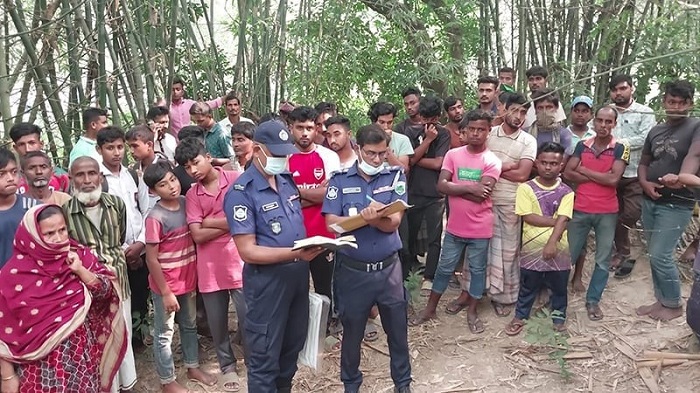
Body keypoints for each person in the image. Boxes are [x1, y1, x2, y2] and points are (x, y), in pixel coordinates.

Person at [224, 120, 325, 392]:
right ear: (257, 150)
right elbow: (248, 250)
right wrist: (294, 253)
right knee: (264, 361)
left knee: (290, 354)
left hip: (297, 281)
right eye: (277, 154)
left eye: (285, 154)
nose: (283, 159)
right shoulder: (241, 193)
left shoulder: (287, 182)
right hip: (267, 286)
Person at [322, 124, 412, 393]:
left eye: (382, 154)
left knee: (398, 333)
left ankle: (403, 384)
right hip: (353, 272)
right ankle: (351, 385)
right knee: (352, 334)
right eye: (371, 153)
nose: (376, 159)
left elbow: (394, 221)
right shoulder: (339, 180)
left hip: (388, 271)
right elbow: (332, 224)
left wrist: (375, 220)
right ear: (359, 149)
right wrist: (364, 218)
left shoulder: (395, 177)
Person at [0, 204, 128, 393]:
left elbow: (107, 294)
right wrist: (8, 376)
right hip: (40, 373)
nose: (59, 238)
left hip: (81, 363)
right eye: (49, 233)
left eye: (62, 230)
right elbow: (3, 332)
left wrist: (80, 271)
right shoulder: (12, 275)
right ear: (32, 237)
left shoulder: (78, 257)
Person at [411, 110, 501, 334]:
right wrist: (471, 187)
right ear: (465, 130)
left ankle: (472, 311)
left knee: (478, 270)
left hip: (480, 228)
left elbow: (483, 194)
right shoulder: (454, 155)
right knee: (443, 269)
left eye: (481, 129)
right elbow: (441, 187)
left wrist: (455, 188)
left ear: (488, 132)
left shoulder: (492, 161)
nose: (476, 133)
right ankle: (430, 308)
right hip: (454, 228)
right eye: (472, 129)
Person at [457, 93, 536, 317]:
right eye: (515, 110)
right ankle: (469, 292)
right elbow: (474, 164)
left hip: (510, 202)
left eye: (523, 112)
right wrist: (505, 165)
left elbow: (522, 175)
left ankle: (502, 297)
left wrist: (495, 167)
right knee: (476, 250)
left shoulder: (528, 141)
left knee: (507, 252)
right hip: (481, 199)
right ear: (503, 109)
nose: (519, 116)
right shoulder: (488, 134)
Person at [63, 156, 138, 392]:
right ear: (71, 179)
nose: (87, 180)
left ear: (100, 176)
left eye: (92, 174)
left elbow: (122, 237)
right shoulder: (65, 211)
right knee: (98, 338)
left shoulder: (116, 204)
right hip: (87, 287)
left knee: (121, 332)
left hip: (118, 281)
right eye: (80, 175)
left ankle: (127, 385)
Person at [177, 139, 247, 392]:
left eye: (195, 162)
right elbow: (196, 235)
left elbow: (245, 220)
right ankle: (227, 366)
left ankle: (253, 359)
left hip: (239, 261)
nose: (193, 170)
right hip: (210, 269)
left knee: (249, 317)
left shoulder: (236, 179)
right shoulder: (192, 194)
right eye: (187, 167)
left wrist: (208, 221)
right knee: (217, 324)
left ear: (207, 156)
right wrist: (227, 222)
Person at [143, 161, 217, 393]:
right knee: (165, 333)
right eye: (163, 185)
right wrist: (165, 292)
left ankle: (192, 366)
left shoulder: (187, 203)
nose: (172, 187)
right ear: (153, 191)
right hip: (166, 285)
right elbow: (151, 259)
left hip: (188, 279)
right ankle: (167, 380)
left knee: (189, 324)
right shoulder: (155, 217)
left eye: (173, 180)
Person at [637, 80, 700, 322]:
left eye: (680, 103)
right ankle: (661, 300)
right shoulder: (656, 130)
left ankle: (673, 304)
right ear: (664, 101)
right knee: (654, 254)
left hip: (678, 201)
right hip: (651, 199)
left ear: (690, 104)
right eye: (671, 101)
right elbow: (644, 162)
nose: (675, 106)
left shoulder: (695, 126)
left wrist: (681, 177)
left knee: (661, 254)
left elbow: (695, 154)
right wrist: (644, 182)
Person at [563, 106, 628, 321]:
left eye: (608, 122)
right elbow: (567, 172)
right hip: (580, 207)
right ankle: (557, 299)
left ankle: (593, 301)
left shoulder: (620, 147)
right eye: (600, 120)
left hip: (607, 211)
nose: (603, 125)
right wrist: (600, 175)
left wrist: (585, 170)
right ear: (594, 122)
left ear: (614, 124)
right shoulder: (583, 145)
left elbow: (613, 180)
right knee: (568, 256)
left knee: (602, 259)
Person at [504, 142, 574, 336]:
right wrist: (558, 220)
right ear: (536, 163)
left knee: (559, 287)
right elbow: (528, 217)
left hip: (559, 249)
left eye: (554, 163)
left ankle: (558, 318)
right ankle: (520, 316)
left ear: (561, 165)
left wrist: (552, 242)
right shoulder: (525, 188)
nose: (548, 167)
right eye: (544, 162)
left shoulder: (567, 192)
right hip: (531, 248)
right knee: (528, 286)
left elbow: (564, 218)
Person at [287, 106, 341, 335]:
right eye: (300, 128)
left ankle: (324, 329)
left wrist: (296, 193)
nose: (305, 133)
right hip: (292, 237)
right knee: (295, 287)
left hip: (323, 235)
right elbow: (282, 200)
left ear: (316, 128)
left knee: (324, 285)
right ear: (291, 128)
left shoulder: (329, 156)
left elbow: (331, 195)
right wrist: (315, 195)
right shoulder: (282, 157)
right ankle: (298, 332)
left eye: (310, 127)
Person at [97, 126, 152, 346]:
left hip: (139, 246)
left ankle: (138, 340)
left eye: (120, 147)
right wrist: (124, 251)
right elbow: (99, 222)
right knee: (118, 299)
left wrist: (140, 243)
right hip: (114, 253)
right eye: (110, 148)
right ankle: (121, 344)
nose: (116, 152)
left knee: (140, 295)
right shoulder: (98, 179)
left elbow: (146, 210)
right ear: (99, 149)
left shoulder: (132, 174)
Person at [608, 74, 657, 272]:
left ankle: (623, 249)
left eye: (622, 89)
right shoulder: (608, 111)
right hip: (610, 172)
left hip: (635, 172)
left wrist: (617, 144)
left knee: (629, 214)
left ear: (632, 89)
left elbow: (645, 139)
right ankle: (621, 251)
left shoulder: (645, 112)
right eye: (615, 90)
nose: (618, 93)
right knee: (611, 213)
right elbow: (600, 133)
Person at [403, 96, 451, 295]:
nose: (427, 123)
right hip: (413, 191)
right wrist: (426, 142)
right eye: (424, 118)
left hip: (435, 194)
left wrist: (415, 158)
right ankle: (406, 275)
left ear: (438, 117)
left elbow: (438, 164)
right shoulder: (410, 132)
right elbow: (408, 160)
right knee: (409, 237)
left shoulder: (444, 134)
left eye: (431, 119)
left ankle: (429, 277)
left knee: (434, 239)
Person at [0, 148, 40, 268]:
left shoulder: (34, 208)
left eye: (13, 172)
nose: (11, 178)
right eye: (2, 174)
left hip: (33, 280)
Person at [9, 122, 70, 193]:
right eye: (21, 144)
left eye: (32, 143)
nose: (27, 149)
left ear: (41, 144)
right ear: (15, 148)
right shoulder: (9, 179)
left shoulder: (60, 177)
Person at [369, 101, 414, 170]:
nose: (386, 127)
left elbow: (404, 170)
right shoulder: (365, 139)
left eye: (389, 122)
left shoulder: (403, 140)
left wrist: (387, 146)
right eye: (382, 122)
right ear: (373, 122)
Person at [527, 88, 574, 155]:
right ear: (535, 110)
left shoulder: (564, 134)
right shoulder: (527, 133)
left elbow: (564, 159)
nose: (544, 111)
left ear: (556, 108)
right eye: (540, 108)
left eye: (549, 107)